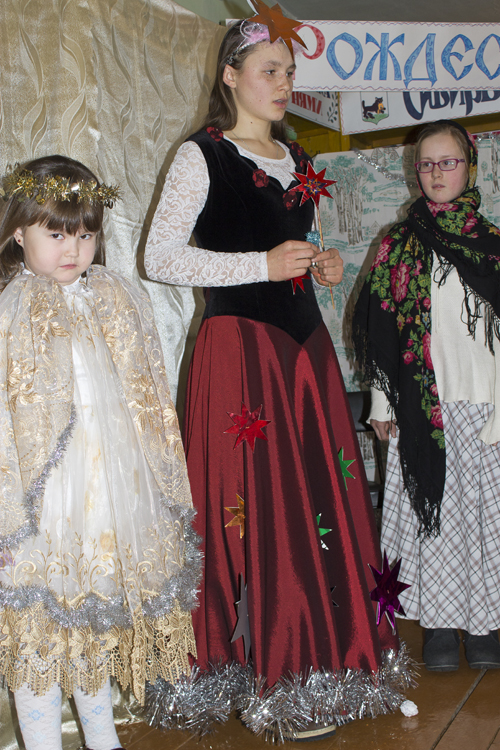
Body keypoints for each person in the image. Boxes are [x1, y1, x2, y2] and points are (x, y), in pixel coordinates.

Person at [144, 13, 413, 742]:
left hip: (303, 355)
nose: (284, 83)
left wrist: (319, 263)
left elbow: (290, 243)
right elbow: (159, 258)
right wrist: (260, 266)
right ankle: (264, 668)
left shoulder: (296, 154)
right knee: (253, 506)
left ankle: (326, 663)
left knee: (317, 500)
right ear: (231, 76)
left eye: (290, 72)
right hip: (243, 354)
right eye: (270, 69)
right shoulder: (202, 156)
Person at [0, 155, 199, 750]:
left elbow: (147, 395)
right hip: (41, 504)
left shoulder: (114, 294)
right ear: (19, 232)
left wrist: (157, 483)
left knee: (96, 623)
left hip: (110, 495)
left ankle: (103, 738)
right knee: (39, 633)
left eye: (86, 234)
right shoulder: (13, 307)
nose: (74, 248)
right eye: (56, 234)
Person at [354, 119, 500, 673]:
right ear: (415, 172)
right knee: (431, 521)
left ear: (470, 167)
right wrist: (383, 403)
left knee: (483, 524)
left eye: (449, 162)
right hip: (423, 411)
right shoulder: (398, 245)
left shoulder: (492, 247)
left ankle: (483, 626)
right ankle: (438, 626)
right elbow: (383, 333)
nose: (437, 173)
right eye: (427, 164)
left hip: (483, 408)